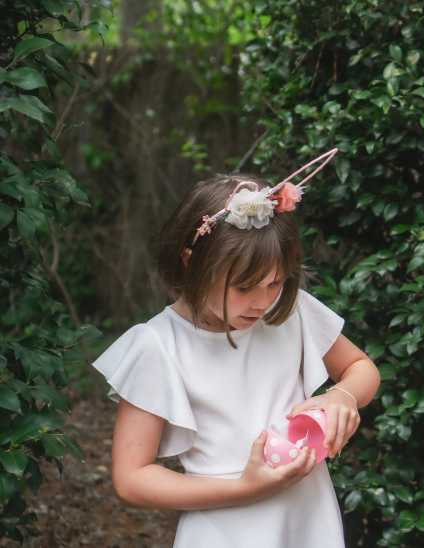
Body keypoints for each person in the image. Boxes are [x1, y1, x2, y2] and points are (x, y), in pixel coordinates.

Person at [92, 149, 381, 547]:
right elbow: (132, 478)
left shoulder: (290, 312)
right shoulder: (158, 345)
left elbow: (361, 367)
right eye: (244, 287)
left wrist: (343, 396)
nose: (262, 302)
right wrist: (246, 488)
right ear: (192, 262)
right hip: (225, 528)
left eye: (274, 283)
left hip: (308, 518)